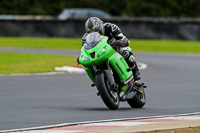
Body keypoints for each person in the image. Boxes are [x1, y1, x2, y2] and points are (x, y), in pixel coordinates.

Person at [81, 17, 141, 81]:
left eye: (97, 31)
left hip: (115, 48)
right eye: (91, 34)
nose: (96, 34)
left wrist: (119, 42)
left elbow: (124, 39)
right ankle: (98, 82)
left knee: (125, 52)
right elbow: (85, 49)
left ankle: (136, 74)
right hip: (100, 52)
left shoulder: (110, 27)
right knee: (88, 64)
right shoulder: (85, 37)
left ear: (101, 27)